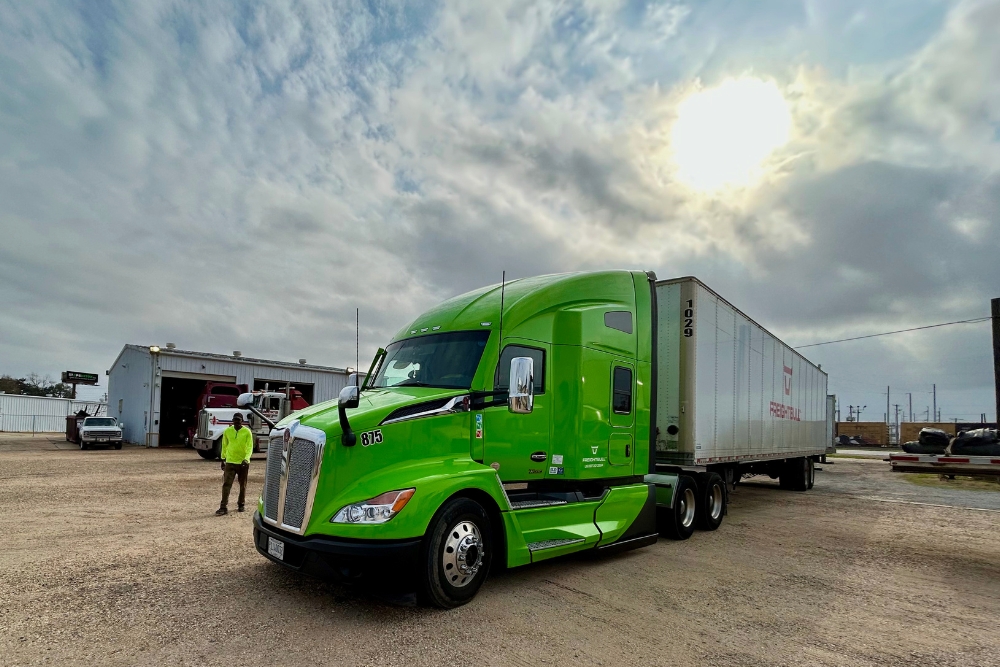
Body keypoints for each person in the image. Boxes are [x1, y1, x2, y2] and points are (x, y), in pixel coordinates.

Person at [216, 413, 254, 516]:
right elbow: (224, 445)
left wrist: (246, 459)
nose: (237, 422)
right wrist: (223, 459)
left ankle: (241, 504)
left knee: (243, 485)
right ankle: (223, 507)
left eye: (239, 420)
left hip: (242, 463)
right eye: (235, 420)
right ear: (232, 420)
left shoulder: (247, 432)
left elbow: (250, 447)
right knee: (226, 485)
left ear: (242, 421)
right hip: (230, 462)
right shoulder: (227, 431)